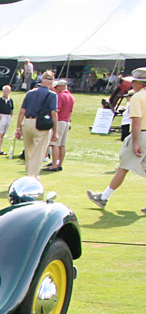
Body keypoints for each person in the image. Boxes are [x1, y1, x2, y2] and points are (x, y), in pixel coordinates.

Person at [87, 68, 146, 212]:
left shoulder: (138, 97)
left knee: (123, 167)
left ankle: (104, 197)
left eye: (134, 81)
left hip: (142, 135)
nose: (132, 84)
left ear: (140, 83)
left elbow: (136, 121)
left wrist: (135, 142)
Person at [14, 71, 58, 178]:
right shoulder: (52, 95)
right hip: (41, 124)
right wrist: (55, 131)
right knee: (38, 153)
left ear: (42, 80)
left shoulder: (30, 93)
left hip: (27, 122)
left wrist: (18, 127)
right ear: (51, 82)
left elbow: (22, 111)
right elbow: (54, 113)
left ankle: (30, 172)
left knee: (29, 152)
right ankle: (32, 176)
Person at [45, 79, 74, 172]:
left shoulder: (60, 96)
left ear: (61, 87)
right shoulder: (71, 96)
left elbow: (57, 110)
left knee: (54, 144)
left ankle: (54, 165)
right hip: (66, 121)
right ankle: (59, 164)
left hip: (60, 121)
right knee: (62, 145)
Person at [0, 85, 14, 154]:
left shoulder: (10, 100)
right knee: (0, 134)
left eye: (6, 91)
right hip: (2, 116)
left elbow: (12, 110)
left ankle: (0, 148)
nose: (5, 92)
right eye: (4, 91)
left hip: (8, 117)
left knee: (4, 133)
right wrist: (0, 118)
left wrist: (10, 117)